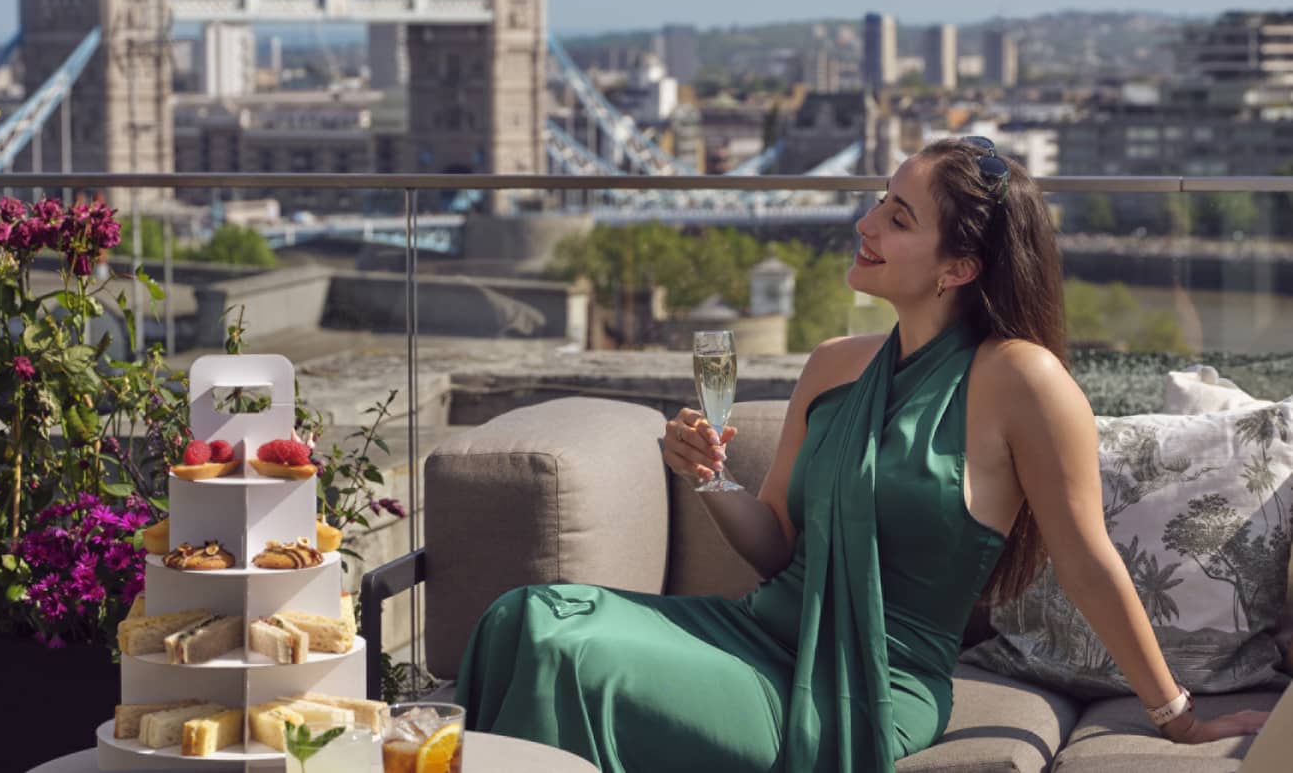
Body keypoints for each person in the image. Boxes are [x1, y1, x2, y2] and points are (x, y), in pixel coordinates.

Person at [453, 138, 1270, 772]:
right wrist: (708, 476)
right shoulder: (834, 365)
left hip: (869, 685)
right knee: (523, 618)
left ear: (959, 267)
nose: (866, 224)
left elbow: (1090, 560)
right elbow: (774, 541)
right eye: (879, 201)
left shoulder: (1023, 380)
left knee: (569, 656)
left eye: (897, 218)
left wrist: (1177, 714)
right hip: (758, 631)